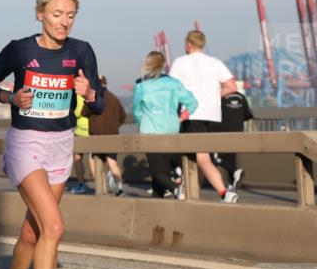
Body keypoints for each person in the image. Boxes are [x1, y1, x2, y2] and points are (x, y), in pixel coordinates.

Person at [0, 0, 104, 269]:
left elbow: (96, 107)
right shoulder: (20, 50)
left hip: (61, 145)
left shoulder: (82, 51)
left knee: (34, 234)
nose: (64, 22)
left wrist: (91, 94)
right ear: (40, 14)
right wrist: (10, 96)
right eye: (56, 14)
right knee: (54, 226)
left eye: (70, 15)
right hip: (26, 144)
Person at [168, 30, 240, 203]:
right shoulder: (215, 62)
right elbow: (232, 87)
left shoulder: (180, 62)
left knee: (201, 157)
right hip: (213, 116)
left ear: (188, 44)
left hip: (191, 114)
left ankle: (224, 192)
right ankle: (192, 193)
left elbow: (172, 88)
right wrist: (215, 95)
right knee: (197, 156)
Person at [132, 51, 198, 198]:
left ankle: (176, 189)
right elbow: (192, 102)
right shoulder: (174, 83)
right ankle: (158, 205)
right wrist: (181, 117)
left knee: (157, 172)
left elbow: (136, 111)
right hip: (172, 129)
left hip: (151, 131)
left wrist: (141, 122)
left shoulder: (141, 85)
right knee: (162, 172)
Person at [84, 76, 128, 196]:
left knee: (93, 159)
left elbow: (84, 112)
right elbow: (123, 116)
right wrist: (114, 125)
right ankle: (120, 188)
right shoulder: (114, 98)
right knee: (111, 161)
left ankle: (100, 186)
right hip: (112, 135)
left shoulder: (93, 98)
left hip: (96, 135)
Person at [214, 89, 254, 191]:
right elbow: (248, 115)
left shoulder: (218, 95)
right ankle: (232, 185)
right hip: (237, 132)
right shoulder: (241, 97)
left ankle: (235, 171)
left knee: (214, 156)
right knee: (231, 157)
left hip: (220, 132)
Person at [70, 98, 90, 194]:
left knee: (77, 157)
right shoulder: (93, 91)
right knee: (94, 158)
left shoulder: (78, 95)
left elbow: (77, 113)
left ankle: (81, 184)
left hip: (81, 130)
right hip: (93, 128)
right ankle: (101, 186)